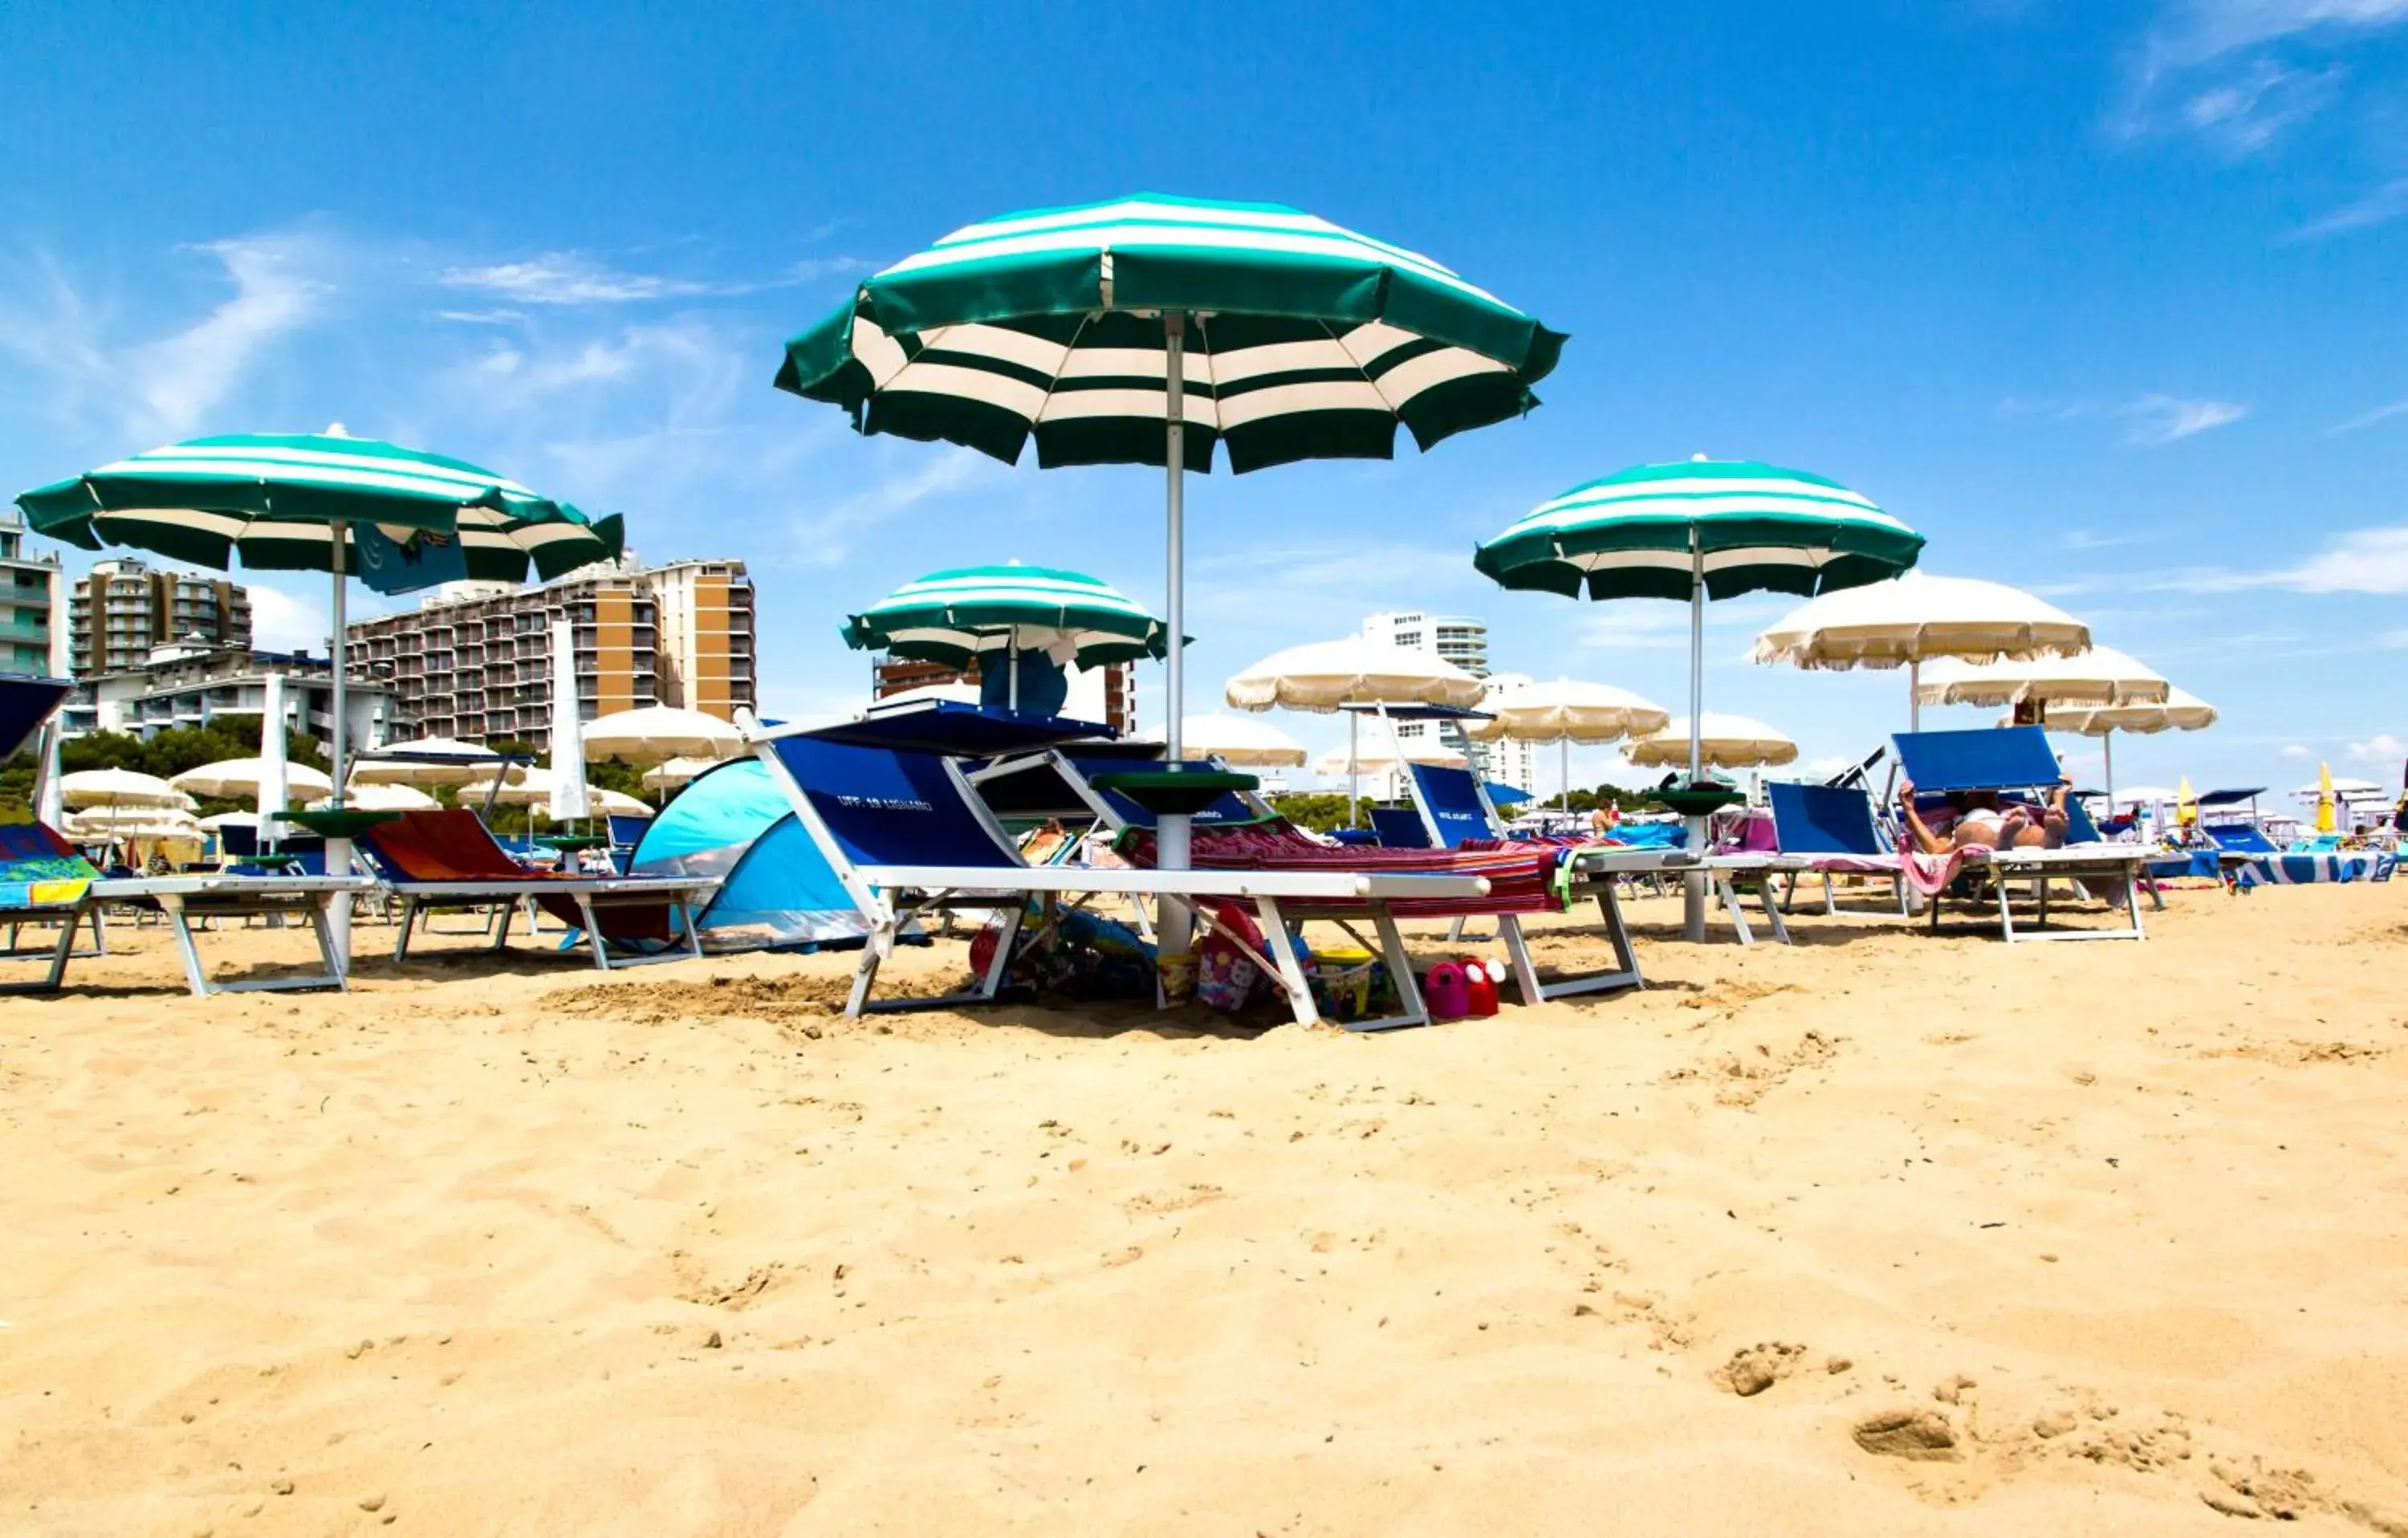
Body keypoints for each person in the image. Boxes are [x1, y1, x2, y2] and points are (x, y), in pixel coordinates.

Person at [1898, 779, 2069, 856]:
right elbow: (1936, 849)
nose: (1990, 796)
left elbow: (2056, 817)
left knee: (2034, 832)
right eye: (1979, 794)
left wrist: (2059, 796)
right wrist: (1909, 810)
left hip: (2008, 826)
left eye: (1993, 794)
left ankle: (2050, 842)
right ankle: (2001, 841)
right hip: (1979, 827)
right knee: (1974, 831)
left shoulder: (2010, 813)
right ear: (1964, 801)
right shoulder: (1956, 819)